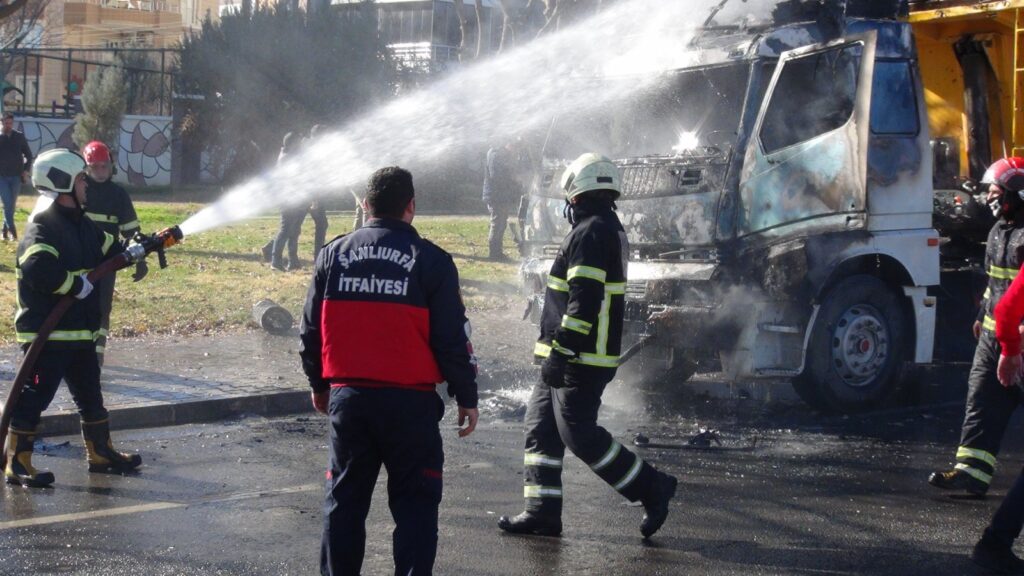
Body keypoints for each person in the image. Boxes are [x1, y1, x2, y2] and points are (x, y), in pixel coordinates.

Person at [299, 166, 480, 575]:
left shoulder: (332, 254)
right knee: (416, 510)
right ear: (411, 207)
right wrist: (466, 396)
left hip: (350, 402)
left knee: (343, 506)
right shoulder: (432, 261)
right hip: (411, 406)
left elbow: (310, 329)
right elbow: (452, 340)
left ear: (365, 206)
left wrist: (318, 383)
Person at [497, 153, 677, 539]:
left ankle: (651, 486)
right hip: (568, 355)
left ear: (575, 196)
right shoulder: (602, 228)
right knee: (541, 429)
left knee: (578, 433)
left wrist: (562, 352)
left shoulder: (591, 232)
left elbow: (585, 300)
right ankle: (542, 512)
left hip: (579, 356)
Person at [5, 148, 142, 488]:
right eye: (81, 178)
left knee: (91, 394)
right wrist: (72, 284)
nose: (87, 186)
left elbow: (111, 247)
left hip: (79, 330)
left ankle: (100, 452)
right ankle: (18, 461)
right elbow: (37, 267)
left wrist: (141, 247)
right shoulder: (43, 226)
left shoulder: (83, 224)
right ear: (64, 182)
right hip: (47, 336)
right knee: (34, 397)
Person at [930, 157, 1024, 498]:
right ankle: (971, 472)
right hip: (993, 337)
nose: (989, 199)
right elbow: (994, 284)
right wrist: (982, 316)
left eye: (996, 192)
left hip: (1020, 343)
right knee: (981, 403)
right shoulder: (999, 232)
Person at [81, 141, 146, 366]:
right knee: (74, 305)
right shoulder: (80, 190)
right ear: (86, 168)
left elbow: (131, 232)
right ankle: (74, 353)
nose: (100, 172)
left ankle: (97, 354)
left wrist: (140, 258)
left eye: (104, 167)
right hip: (77, 260)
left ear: (111, 167)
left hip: (107, 262)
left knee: (102, 307)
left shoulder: (118, 195)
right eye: (95, 167)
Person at [266, 132, 306, 271]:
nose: (300, 144)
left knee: (294, 230)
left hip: (294, 198)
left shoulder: (290, 155)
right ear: (292, 144)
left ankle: (293, 261)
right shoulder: (287, 158)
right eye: (298, 142)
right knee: (285, 230)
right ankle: (275, 261)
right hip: (287, 199)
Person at [482, 141, 523, 261]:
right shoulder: (495, 154)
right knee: (497, 224)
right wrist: (512, 178)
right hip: (496, 195)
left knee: (501, 224)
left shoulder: (500, 153)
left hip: (500, 195)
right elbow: (496, 176)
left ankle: (497, 252)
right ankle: (495, 254)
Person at [0, 111, 33, 241]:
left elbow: (29, 155)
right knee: (7, 203)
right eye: (6, 123)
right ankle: (13, 232)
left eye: (11, 123)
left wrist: (26, 171)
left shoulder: (19, 137)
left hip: (16, 177)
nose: (9, 125)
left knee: (11, 205)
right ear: (1, 123)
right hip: (1, 177)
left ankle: (4, 231)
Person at [307, 125, 329, 262]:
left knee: (293, 225)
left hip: (312, 194)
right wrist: (314, 198)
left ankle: (271, 248)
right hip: (312, 195)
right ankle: (318, 256)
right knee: (322, 224)